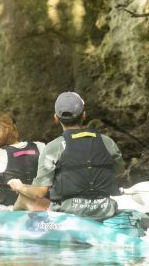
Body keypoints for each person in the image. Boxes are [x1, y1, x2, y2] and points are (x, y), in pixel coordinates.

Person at [7, 91, 125, 220]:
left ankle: (15, 231)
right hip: (105, 210)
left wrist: (19, 186)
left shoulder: (53, 148)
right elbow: (119, 172)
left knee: (24, 196)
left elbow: (39, 192)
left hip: (68, 214)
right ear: (84, 115)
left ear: (56, 118)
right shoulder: (107, 142)